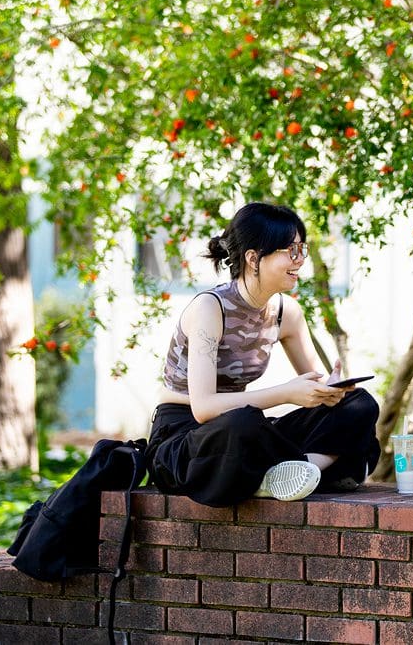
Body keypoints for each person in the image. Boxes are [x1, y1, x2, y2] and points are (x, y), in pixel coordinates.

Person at [146, 202, 380, 505]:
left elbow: (312, 386)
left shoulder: (287, 313)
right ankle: (299, 470)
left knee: (358, 404)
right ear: (253, 258)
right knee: (243, 425)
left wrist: (329, 392)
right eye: (289, 250)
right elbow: (203, 408)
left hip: (246, 426)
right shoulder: (210, 308)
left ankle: (299, 471)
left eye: (302, 249)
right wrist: (285, 394)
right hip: (186, 436)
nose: (299, 260)